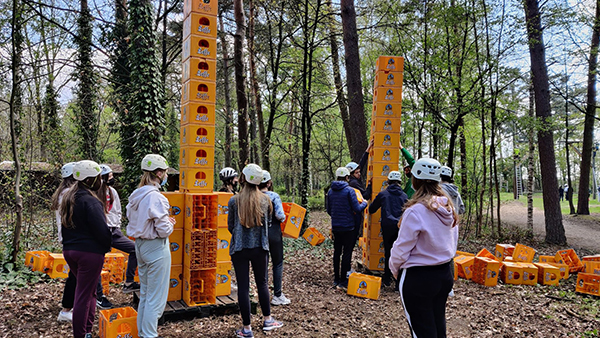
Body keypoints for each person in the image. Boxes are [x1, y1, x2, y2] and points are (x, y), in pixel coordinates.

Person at [389, 158, 459, 338]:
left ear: (415, 180)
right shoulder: (448, 207)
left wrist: (394, 269)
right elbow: (453, 241)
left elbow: (402, 248)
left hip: (418, 278)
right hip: (444, 274)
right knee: (437, 325)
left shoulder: (415, 211)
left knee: (422, 331)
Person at [228, 164, 283, 337]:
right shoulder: (266, 200)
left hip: (239, 248)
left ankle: (247, 329)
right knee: (262, 283)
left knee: (243, 287)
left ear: (243, 178)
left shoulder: (233, 200)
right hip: (260, 248)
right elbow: (267, 224)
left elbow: (231, 226)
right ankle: (267, 320)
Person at [60, 160, 112, 338]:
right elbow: (101, 231)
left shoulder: (69, 198)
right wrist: (106, 245)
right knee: (83, 295)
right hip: (89, 253)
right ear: (90, 180)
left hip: (70, 250)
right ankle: (81, 334)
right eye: (98, 177)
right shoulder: (91, 202)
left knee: (89, 292)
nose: (100, 181)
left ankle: (87, 331)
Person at [126, 154, 175, 338]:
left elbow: (137, 220)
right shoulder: (157, 197)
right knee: (156, 299)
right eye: (165, 172)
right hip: (156, 247)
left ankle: (143, 333)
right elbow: (163, 230)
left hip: (140, 245)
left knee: (146, 294)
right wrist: (171, 223)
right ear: (159, 173)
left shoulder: (136, 195)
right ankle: (149, 335)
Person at [94, 164, 140, 310]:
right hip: (99, 232)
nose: (113, 178)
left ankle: (129, 282)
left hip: (114, 232)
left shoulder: (112, 191)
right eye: (110, 175)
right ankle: (99, 296)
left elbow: (118, 210)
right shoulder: (93, 193)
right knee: (96, 264)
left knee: (135, 250)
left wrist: (117, 225)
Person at [327, 167, 368, 289]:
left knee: (337, 252)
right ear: (347, 177)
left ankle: (336, 278)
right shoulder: (350, 191)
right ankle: (343, 281)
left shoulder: (330, 191)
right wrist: (365, 203)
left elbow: (329, 210)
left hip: (336, 226)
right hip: (349, 227)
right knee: (347, 253)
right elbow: (357, 208)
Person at [368, 171, 408, 288]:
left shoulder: (383, 194)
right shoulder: (405, 196)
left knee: (388, 252)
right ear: (400, 182)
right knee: (400, 253)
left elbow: (371, 209)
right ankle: (397, 282)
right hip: (400, 227)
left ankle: (386, 279)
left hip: (387, 226)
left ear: (388, 181)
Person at [259, 170, 290, 306]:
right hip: (274, 233)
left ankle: (263, 294)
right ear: (269, 182)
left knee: (262, 265)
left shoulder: (253, 197)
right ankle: (277, 294)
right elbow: (280, 216)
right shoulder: (273, 196)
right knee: (277, 263)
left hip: (258, 234)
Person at [51, 162, 77, 322]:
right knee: (74, 275)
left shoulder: (62, 192)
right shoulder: (69, 194)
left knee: (75, 274)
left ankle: (71, 306)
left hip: (67, 239)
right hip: (72, 240)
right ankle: (66, 309)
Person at [346, 140, 374, 242]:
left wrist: (368, 149)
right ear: (352, 174)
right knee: (353, 236)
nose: (359, 174)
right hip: (354, 213)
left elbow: (361, 164)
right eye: (357, 172)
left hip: (353, 213)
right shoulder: (354, 184)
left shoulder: (353, 179)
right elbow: (365, 195)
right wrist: (370, 185)